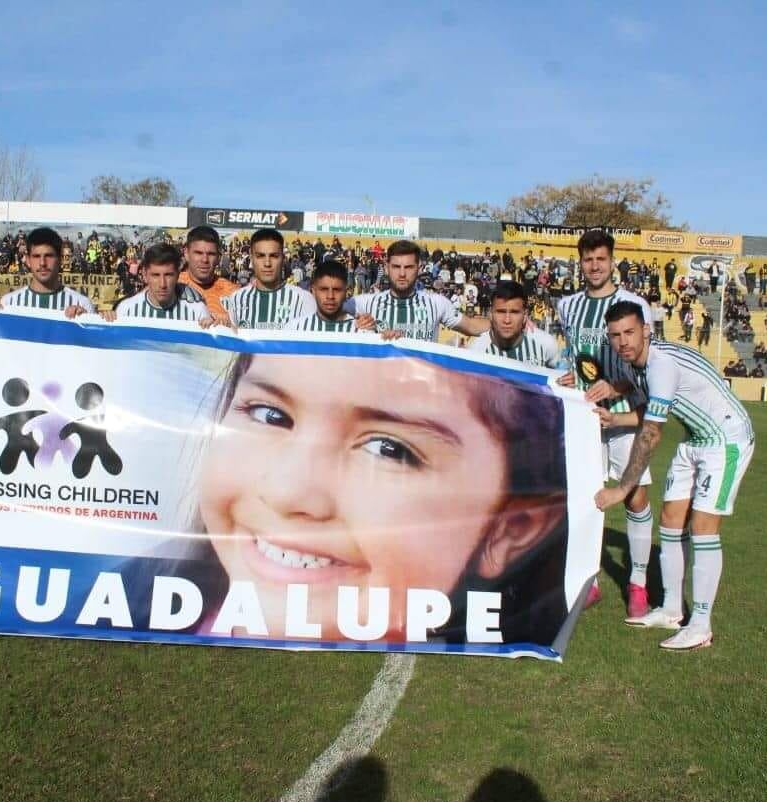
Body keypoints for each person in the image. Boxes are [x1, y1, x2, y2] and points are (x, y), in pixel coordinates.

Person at [194, 351, 569, 645]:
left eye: (389, 450)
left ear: (510, 531)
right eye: (270, 415)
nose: (285, 491)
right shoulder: (143, 588)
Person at [593, 301, 754, 651]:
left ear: (647, 330)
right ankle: (670, 609)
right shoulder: (636, 364)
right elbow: (642, 407)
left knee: (703, 527)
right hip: (695, 439)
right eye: (616, 335)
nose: (623, 341)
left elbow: (651, 432)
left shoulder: (661, 365)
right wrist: (615, 413)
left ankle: (700, 624)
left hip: (726, 439)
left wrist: (622, 488)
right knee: (669, 520)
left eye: (630, 332)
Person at [554, 229, 654, 615]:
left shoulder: (633, 303)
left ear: (613, 260)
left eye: (601, 259)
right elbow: (574, 355)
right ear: (580, 263)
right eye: (588, 259)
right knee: (586, 497)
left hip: (626, 412)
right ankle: (589, 581)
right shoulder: (569, 306)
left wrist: (614, 385)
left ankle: (638, 584)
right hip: (584, 416)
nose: (594, 266)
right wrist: (566, 374)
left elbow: (645, 363)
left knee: (635, 495)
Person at [349, 240, 489, 342]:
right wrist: (354, 326)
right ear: (386, 267)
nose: (402, 274)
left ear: (419, 268)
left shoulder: (436, 303)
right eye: (396, 266)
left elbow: (471, 326)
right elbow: (329, 313)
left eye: (409, 267)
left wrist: (504, 322)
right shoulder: (364, 303)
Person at [218, 229, 315, 329]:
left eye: (274, 256)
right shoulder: (236, 299)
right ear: (252, 259)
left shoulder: (304, 300)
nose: (267, 263)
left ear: (283, 258)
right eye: (260, 256)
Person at [1, 227, 96, 316]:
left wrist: (92, 321)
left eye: (49, 256)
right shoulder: (8, 303)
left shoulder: (82, 305)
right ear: (28, 260)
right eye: (36, 256)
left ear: (60, 259)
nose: (42, 263)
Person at [108, 244, 210, 323]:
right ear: (144, 274)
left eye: (168, 275)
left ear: (178, 275)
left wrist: (219, 326)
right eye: (155, 275)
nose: (162, 284)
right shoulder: (126, 310)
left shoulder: (197, 311)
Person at [469, 281, 562, 368]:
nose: (507, 320)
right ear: (491, 314)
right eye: (501, 312)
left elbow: (561, 376)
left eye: (514, 312)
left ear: (525, 315)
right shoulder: (477, 349)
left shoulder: (546, 344)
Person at [284, 260, 378, 333]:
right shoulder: (294, 328)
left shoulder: (362, 331)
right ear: (313, 291)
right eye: (324, 289)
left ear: (346, 292)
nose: (330, 296)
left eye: (337, 290)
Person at [178, 225, 238, 319]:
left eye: (211, 254)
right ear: (186, 253)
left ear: (218, 257)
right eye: (198, 253)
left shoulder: (234, 294)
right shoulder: (170, 285)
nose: (205, 260)